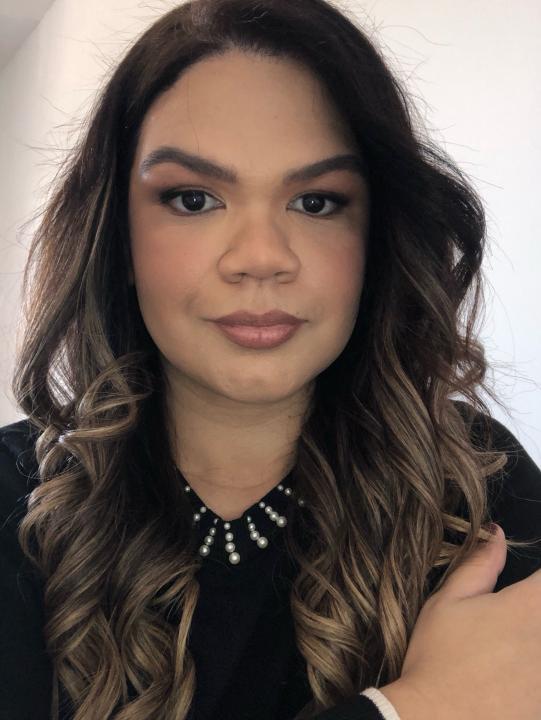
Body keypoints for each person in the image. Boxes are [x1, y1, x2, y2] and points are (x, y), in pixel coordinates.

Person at [1, 0, 540, 719]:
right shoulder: (12, 496)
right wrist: (420, 706)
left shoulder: (475, 482)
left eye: (316, 202)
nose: (261, 257)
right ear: (118, 238)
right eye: (193, 199)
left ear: (375, 240)